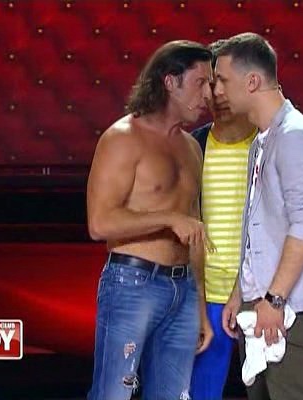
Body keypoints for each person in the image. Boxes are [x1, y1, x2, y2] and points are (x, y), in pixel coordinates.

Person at [214, 32, 303, 400]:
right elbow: (257, 227)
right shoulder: (263, 139)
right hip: (262, 301)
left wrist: (274, 300)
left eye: (223, 80)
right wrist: (240, 293)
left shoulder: (296, 136)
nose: (217, 91)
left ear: (252, 81)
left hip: (286, 306)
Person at [86, 40, 215, 400]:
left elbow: (194, 229)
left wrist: (200, 305)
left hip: (184, 289)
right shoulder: (122, 139)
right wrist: (168, 218)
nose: (208, 95)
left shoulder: (191, 147)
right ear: (170, 82)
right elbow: (99, 223)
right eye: (200, 83)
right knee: (114, 394)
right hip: (132, 283)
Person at [190, 40, 258, 400]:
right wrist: (197, 303)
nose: (217, 93)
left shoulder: (268, 145)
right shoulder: (192, 147)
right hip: (207, 300)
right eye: (210, 83)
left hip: (259, 296)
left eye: (224, 83)